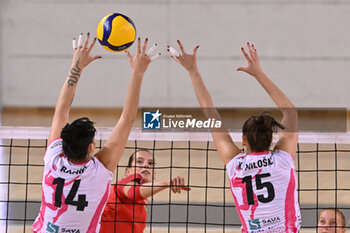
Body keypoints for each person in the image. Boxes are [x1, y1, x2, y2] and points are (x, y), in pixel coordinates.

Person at [169, 40, 301, 232]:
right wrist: (259, 74)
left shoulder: (236, 166)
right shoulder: (282, 162)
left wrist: (193, 72)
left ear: (243, 140)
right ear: (271, 139)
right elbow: (290, 113)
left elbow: (211, 114)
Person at [32, 34, 154, 233]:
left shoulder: (53, 158)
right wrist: (137, 73)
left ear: (63, 143)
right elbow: (127, 119)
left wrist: (76, 66)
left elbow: (61, 110)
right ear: (91, 147)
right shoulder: (100, 169)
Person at [100, 149, 190, 233]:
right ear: (128, 171)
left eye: (150, 163)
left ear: (154, 173)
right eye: (139, 161)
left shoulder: (143, 201)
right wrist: (166, 183)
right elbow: (134, 192)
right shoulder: (123, 185)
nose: (146, 165)